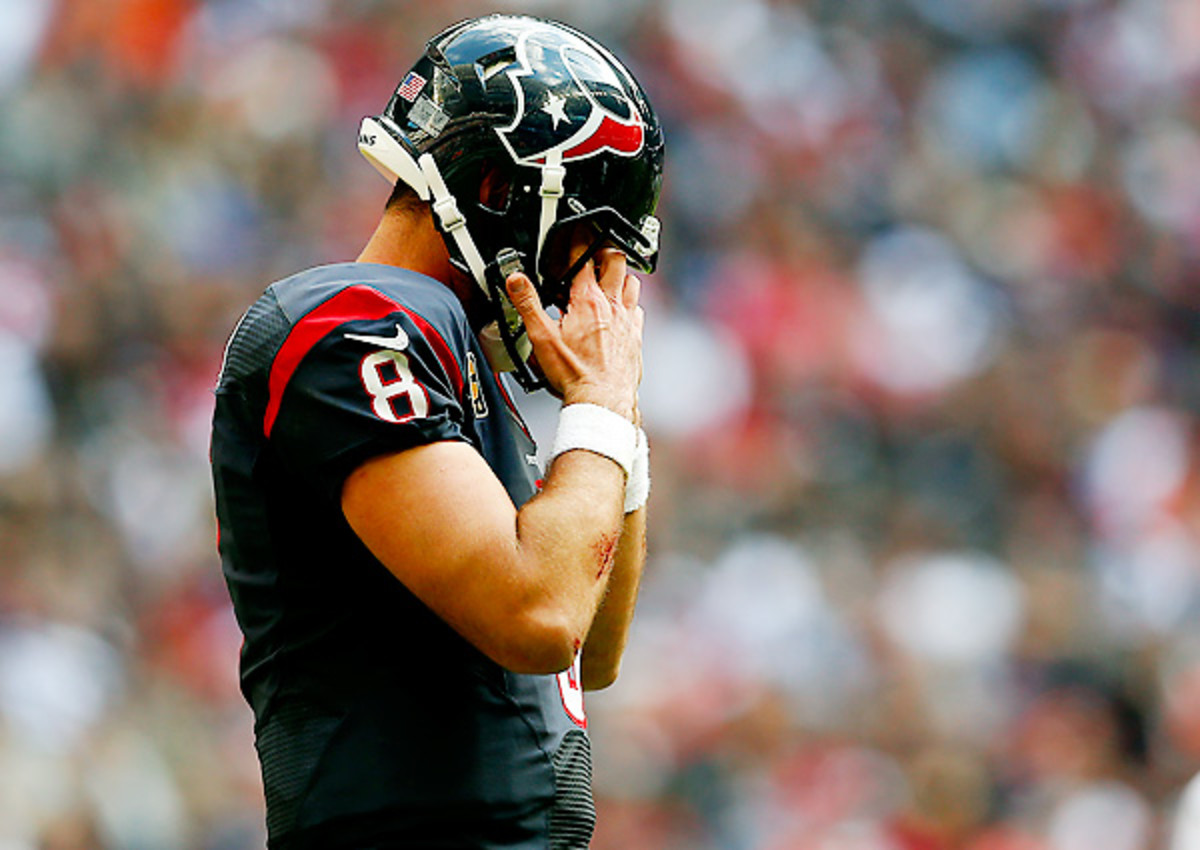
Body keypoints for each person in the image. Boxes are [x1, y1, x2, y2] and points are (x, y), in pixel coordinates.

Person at [209, 13, 664, 850]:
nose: (590, 280)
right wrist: (597, 408)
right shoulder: (355, 321)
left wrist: (612, 417)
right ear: (499, 192)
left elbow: (592, 650)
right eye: (584, 238)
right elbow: (539, 615)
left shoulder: (453, 361)